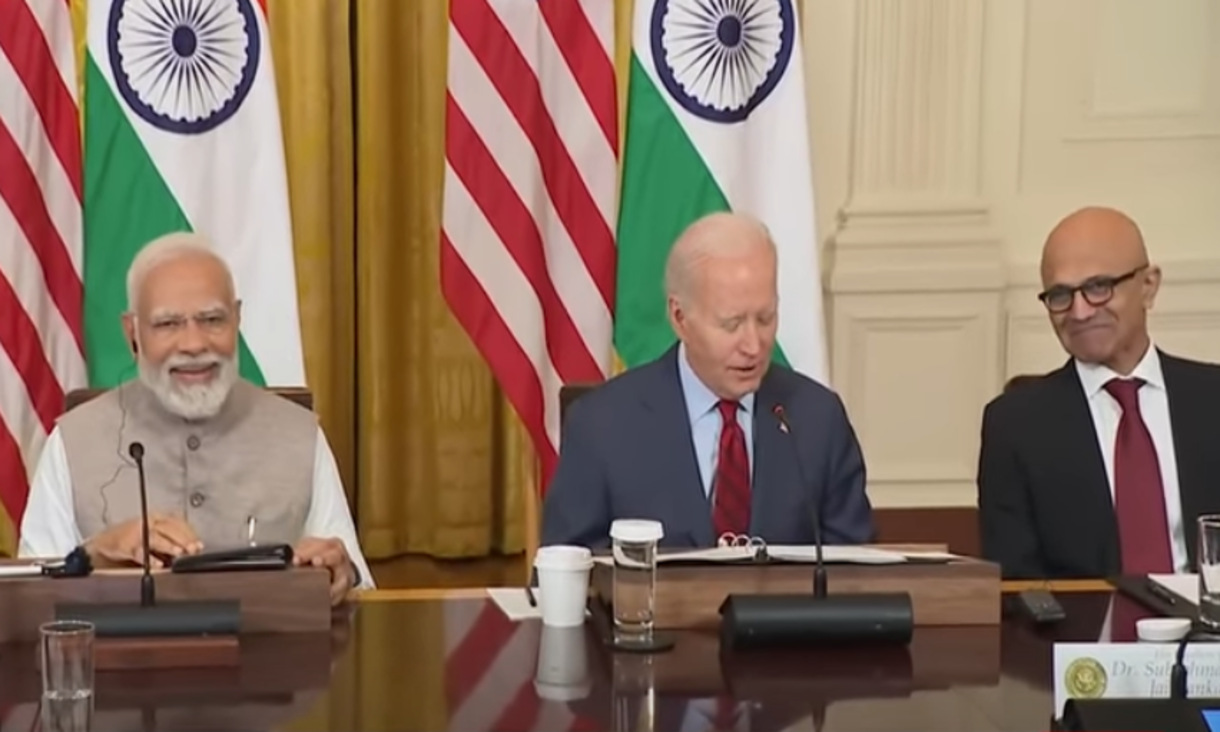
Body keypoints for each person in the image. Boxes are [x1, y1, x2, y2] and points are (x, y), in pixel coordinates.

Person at [18, 232, 374, 604]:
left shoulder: (300, 435)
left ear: (237, 320)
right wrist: (97, 553)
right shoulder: (74, 440)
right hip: (116, 659)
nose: (193, 344)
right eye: (168, 324)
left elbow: (355, 587)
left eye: (212, 319)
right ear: (132, 333)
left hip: (270, 656)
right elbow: (28, 598)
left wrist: (340, 572)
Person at [540, 211, 874, 549]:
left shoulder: (817, 418)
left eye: (765, 318)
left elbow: (857, 577)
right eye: (731, 324)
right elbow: (566, 572)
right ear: (680, 317)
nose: (753, 345)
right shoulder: (602, 426)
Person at [977, 206, 1220, 579]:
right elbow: (1015, 583)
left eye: (1097, 288)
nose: (1079, 312)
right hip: (1079, 634)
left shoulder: (1211, 399)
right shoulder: (1015, 425)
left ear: (1148, 286)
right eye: (1060, 294)